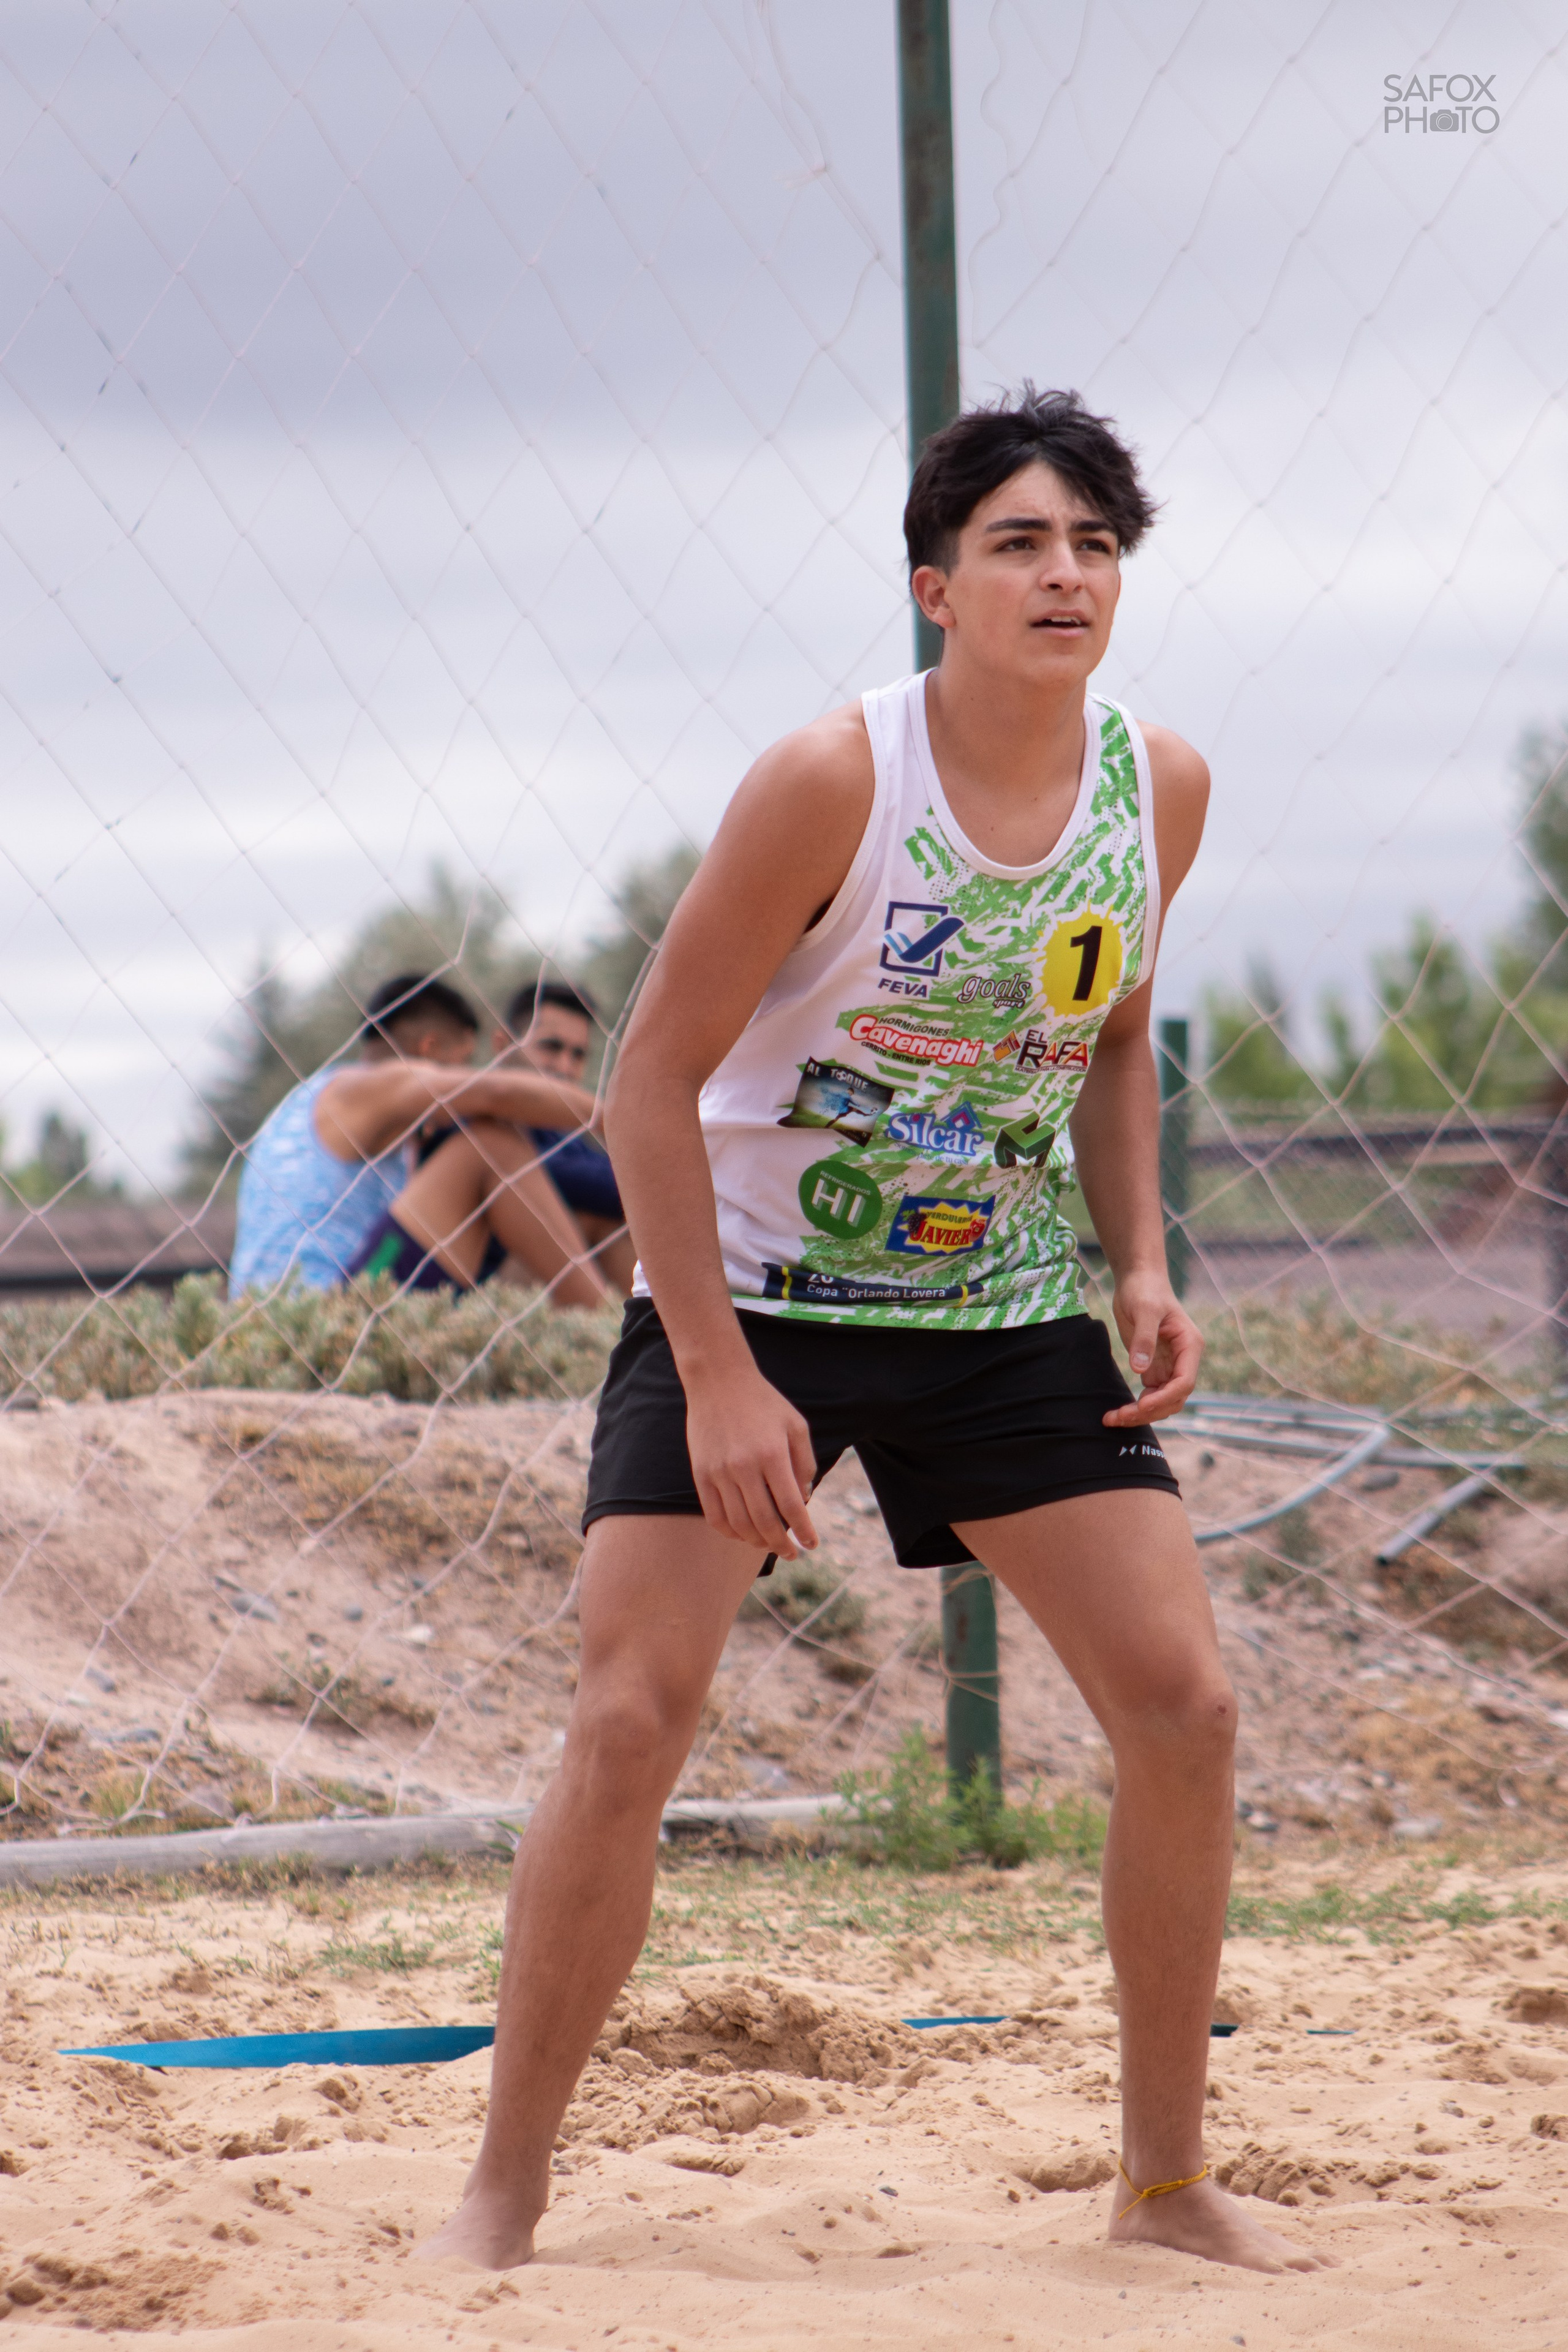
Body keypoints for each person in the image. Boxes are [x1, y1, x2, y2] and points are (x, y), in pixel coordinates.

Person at [421, 388, 1329, 2278]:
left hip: (999, 1306)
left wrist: (1138, 1259)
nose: (1063, 571)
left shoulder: (1154, 783)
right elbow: (652, 1080)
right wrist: (726, 1374)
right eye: (1018, 541)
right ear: (934, 585)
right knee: (626, 1715)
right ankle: (500, 2186)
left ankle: (1161, 2182)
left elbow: (1101, 1038)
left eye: (1091, 542)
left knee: (1186, 1705)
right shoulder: (832, 777)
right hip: (748, 1286)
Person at [230, 973, 612, 1308]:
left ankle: (627, 1332)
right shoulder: (360, 1087)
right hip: (322, 1316)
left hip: (315, 1308)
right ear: (428, 1051)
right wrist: (612, 1118)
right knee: (489, 1145)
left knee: (591, 1221)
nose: (464, 1077)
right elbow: (496, 1092)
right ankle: (608, 1326)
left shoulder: (327, 1107)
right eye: (461, 1064)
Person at [492, 979, 636, 1294]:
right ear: (503, 1046)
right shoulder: (480, 1119)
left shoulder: (562, 1136)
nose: (565, 1067)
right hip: (469, 1300)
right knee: (595, 1219)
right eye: (551, 1047)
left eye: (578, 1055)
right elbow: (570, 1180)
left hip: (540, 1303)